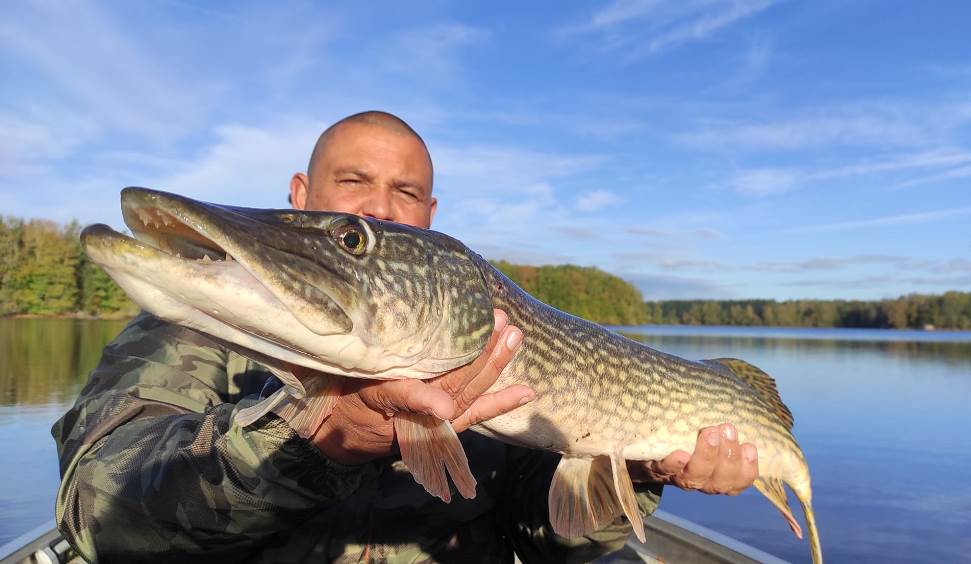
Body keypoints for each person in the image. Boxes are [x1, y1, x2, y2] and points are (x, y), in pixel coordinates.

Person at [52, 111, 759, 563]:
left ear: (431, 216)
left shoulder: (484, 339)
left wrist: (637, 471)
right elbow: (100, 517)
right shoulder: (195, 331)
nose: (379, 206)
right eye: (353, 187)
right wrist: (313, 435)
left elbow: (548, 542)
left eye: (405, 194)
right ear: (300, 194)